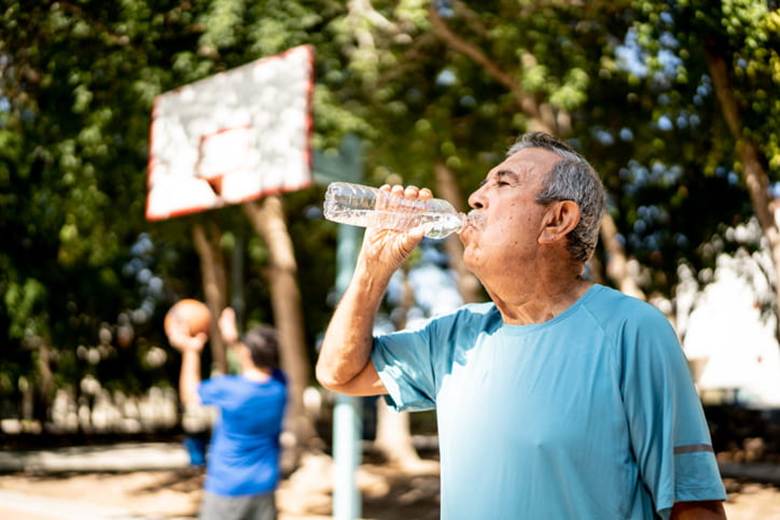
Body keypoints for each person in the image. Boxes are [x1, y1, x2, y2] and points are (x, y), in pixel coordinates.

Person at [316, 132, 727, 519]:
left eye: (503, 183)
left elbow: (694, 506)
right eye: (483, 185)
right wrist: (373, 268)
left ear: (557, 219)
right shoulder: (455, 336)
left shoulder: (631, 330)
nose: (476, 197)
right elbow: (340, 373)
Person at [168, 307, 287, 520]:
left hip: (228, 487)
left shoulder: (230, 389)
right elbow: (260, 362)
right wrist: (233, 340)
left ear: (247, 354)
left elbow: (190, 394)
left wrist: (191, 350)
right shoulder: (280, 386)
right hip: (265, 485)